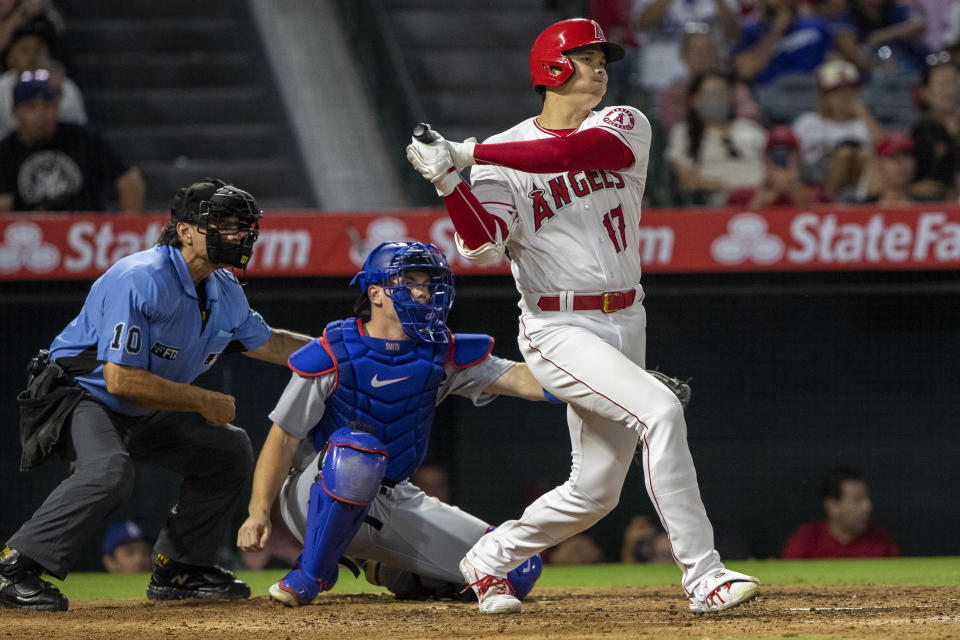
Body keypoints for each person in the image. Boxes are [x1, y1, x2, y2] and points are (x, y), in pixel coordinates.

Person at [405, 17, 759, 615]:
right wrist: (447, 181)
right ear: (552, 67)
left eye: (602, 59)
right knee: (661, 411)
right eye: (587, 57)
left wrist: (463, 152)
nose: (600, 68)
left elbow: (577, 150)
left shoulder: (623, 123)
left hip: (627, 317)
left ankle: (487, 559)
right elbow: (483, 243)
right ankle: (705, 575)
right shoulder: (498, 162)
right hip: (557, 327)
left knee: (595, 491)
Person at [0, 178, 314, 611]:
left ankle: (180, 568)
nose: (237, 236)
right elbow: (120, 380)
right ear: (185, 231)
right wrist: (203, 400)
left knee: (228, 448)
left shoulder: (225, 290)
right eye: (222, 225)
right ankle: (14, 568)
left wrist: (347, 350)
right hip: (77, 394)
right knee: (109, 470)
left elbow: (274, 344)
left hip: (139, 405)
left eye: (241, 227)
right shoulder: (140, 277)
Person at [237, 241, 547, 609]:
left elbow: (523, 380)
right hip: (314, 494)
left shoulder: (440, 352)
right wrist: (258, 513)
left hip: (390, 497)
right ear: (376, 293)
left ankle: (390, 571)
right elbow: (283, 437)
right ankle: (310, 574)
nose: (422, 291)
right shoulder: (335, 350)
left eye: (428, 283)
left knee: (516, 566)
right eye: (409, 280)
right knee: (357, 455)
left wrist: (596, 380)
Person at [0, 70, 143, 212]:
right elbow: (3, 205)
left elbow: (130, 180)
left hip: (85, 229)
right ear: (15, 113)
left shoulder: (84, 139)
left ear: (56, 108)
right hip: (29, 232)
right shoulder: (6, 152)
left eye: (47, 106)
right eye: (31, 108)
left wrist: (125, 228)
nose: (41, 114)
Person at [665, 70, 767, 205]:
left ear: (731, 98)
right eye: (709, 94)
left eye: (720, 93)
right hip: (717, 201)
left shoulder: (751, 129)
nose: (716, 99)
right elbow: (685, 179)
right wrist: (726, 188)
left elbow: (772, 166)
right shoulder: (683, 133)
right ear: (694, 100)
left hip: (763, 197)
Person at [791, 59, 884, 197]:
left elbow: (885, 150)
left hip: (861, 184)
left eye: (851, 89)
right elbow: (792, 159)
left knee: (862, 155)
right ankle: (828, 204)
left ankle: (865, 204)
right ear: (825, 96)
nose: (845, 96)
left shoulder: (864, 123)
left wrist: (863, 113)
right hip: (818, 182)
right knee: (844, 154)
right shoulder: (807, 123)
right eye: (837, 90)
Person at [657, 24, 760, 132]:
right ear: (684, 55)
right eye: (696, 50)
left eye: (708, 49)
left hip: (729, 141)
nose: (703, 55)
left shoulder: (733, 87)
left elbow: (750, 116)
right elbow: (675, 126)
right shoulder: (674, 93)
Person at [782, 465, 900, 558]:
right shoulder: (805, 541)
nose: (867, 506)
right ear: (832, 505)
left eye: (866, 498)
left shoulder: (881, 541)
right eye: (857, 499)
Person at [0, 16, 85, 138]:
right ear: (10, 58)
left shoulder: (67, 89)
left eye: (39, 49)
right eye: (24, 50)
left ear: (49, 54)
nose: (32, 57)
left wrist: (57, 95)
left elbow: (77, 137)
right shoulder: (1, 89)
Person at [733, 0, 834, 86]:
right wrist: (776, 32)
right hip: (773, 99)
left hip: (812, 90)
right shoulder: (752, 32)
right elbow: (746, 72)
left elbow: (833, 60)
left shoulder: (816, 26)